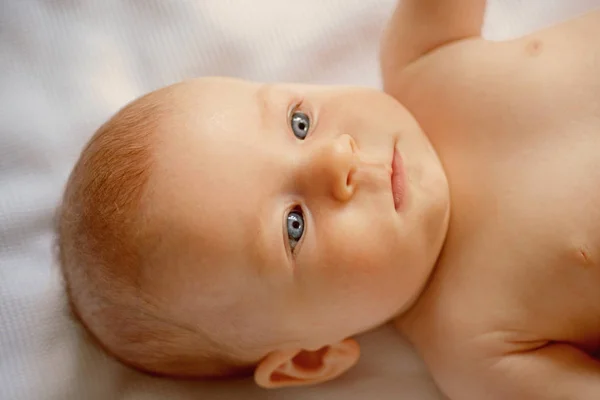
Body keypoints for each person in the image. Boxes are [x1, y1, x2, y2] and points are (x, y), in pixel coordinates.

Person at [57, 1, 600, 398]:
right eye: (294, 225)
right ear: (311, 357)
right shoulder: (481, 355)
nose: (335, 159)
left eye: (299, 123)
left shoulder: (422, 56)